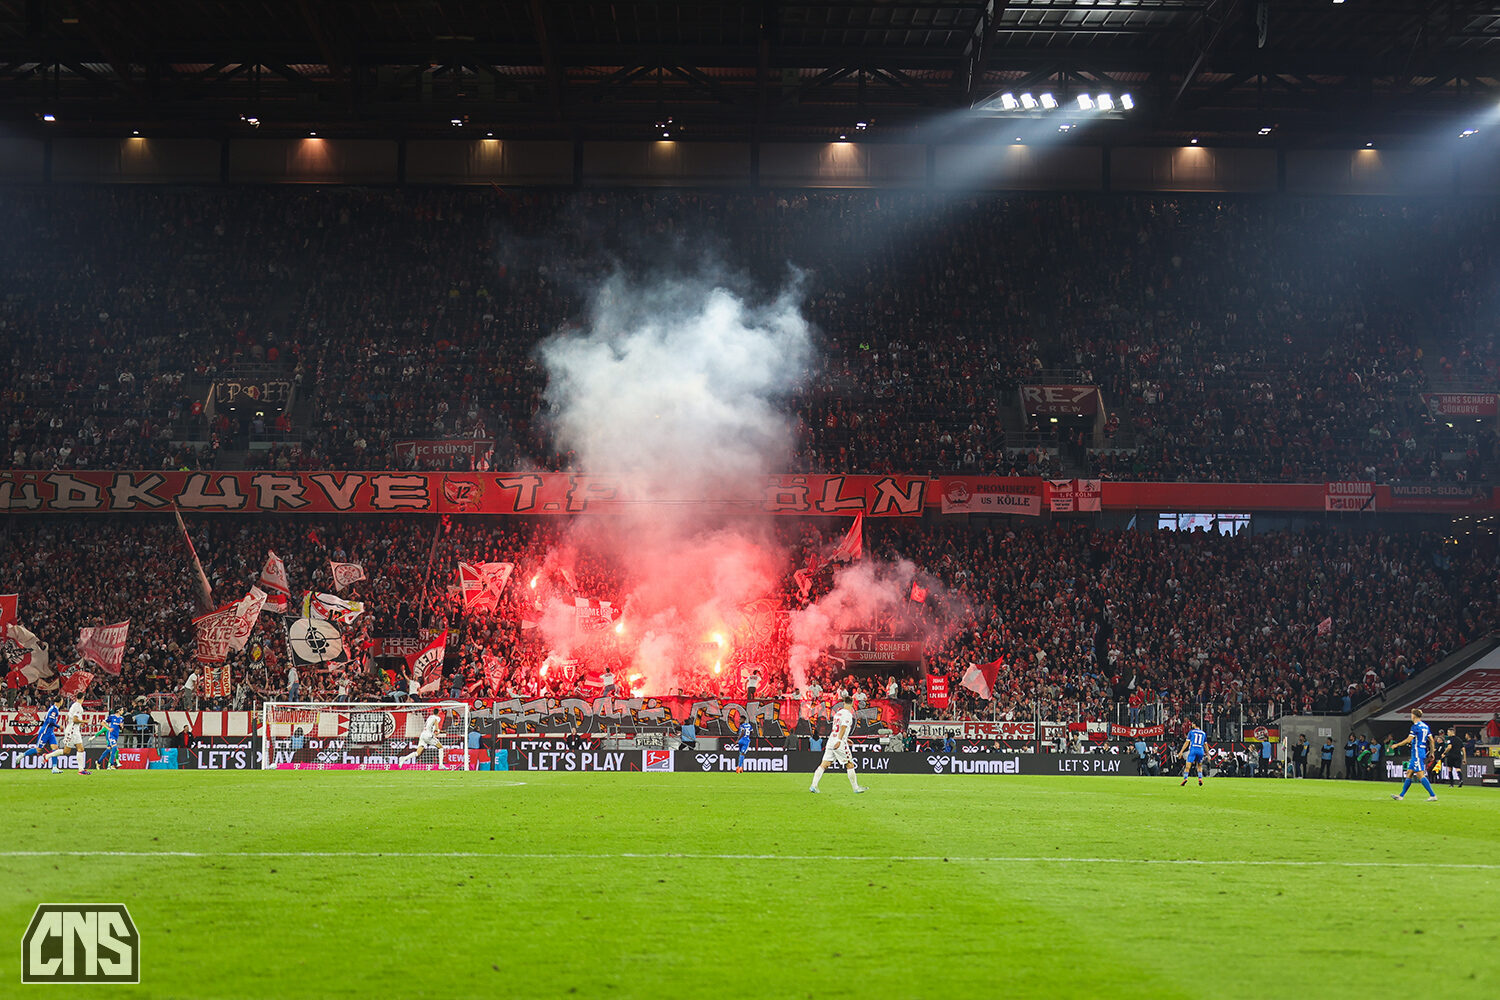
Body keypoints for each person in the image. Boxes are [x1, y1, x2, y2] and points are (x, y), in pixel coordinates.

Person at [809, 694, 866, 794]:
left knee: (824, 764)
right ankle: (856, 788)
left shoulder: (838, 714)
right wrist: (840, 740)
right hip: (838, 742)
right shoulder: (848, 714)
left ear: (844, 704)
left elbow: (837, 728)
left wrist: (845, 738)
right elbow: (843, 727)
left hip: (831, 739)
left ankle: (813, 785)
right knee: (849, 764)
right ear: (852, 704)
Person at [1389, 708, 1437, 802]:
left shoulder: (1415, 727)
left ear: (1414, 716)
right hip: (1421, 751)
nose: (1411, 716)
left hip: (1417, 752)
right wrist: (1432, 752)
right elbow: (1431, 740)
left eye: (1411, 714)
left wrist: (1396, 745)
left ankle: (1433, 795)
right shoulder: (1425, 726)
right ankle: (1401, 796)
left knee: (1420, 775)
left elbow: (1408, 740)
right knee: (1409, 773)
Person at [43, 696, 91, 775]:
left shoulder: (73, 705)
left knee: (80, 749)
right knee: (68, 751)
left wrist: (79, 723)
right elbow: (75, 720)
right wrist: (84, 721)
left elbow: (67, 718)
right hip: (72, 731)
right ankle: (47, 756)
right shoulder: (78, 707)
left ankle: (81, 770)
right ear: (83, 698)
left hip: (74, 730)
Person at [23, 696, 62, 761]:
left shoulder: (53, 708)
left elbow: (46, 718)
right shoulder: (54, 709)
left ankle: (54, 766)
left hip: (50, 732)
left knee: (55, 748)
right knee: (38, 750)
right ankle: (22, 755)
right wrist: (58, 726)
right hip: (45, 732)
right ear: (60, 701)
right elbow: (50, 721)